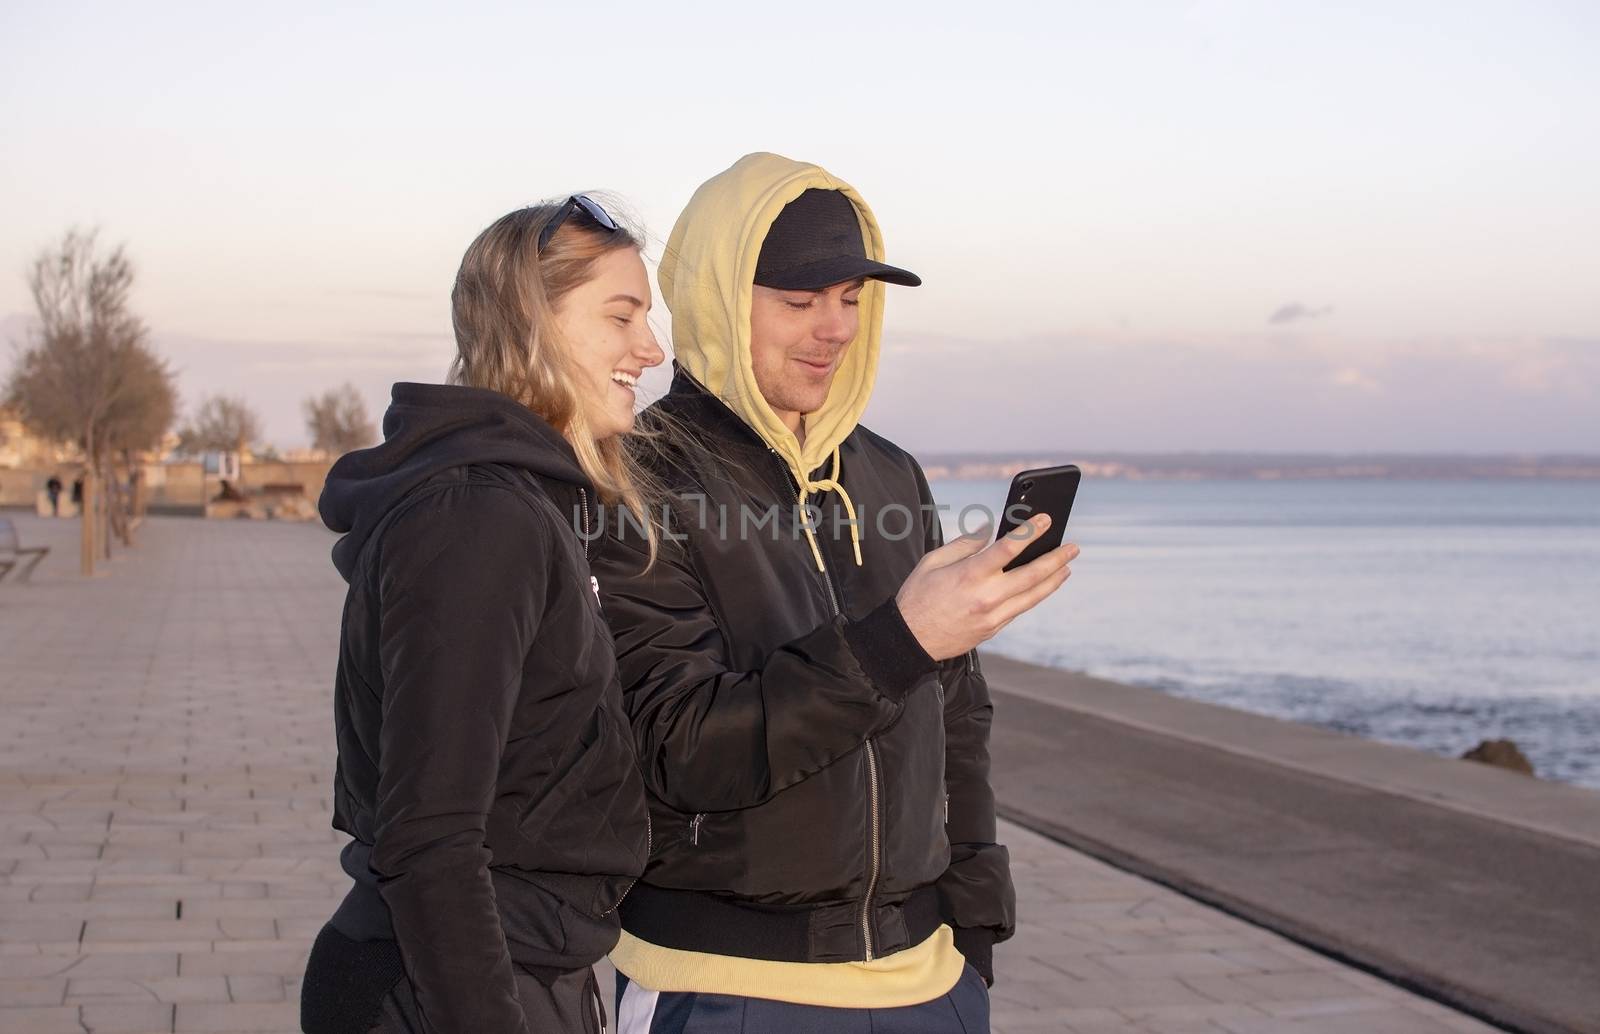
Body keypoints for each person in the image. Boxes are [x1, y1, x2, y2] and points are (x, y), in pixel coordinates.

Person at [593, 154, 1078, 1033]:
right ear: (716, 296)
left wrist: (974, 927)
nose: (834, 328)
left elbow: (958, 717)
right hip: (728, 984)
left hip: (928, 983)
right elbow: (684, 746)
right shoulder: (635, 478)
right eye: (798, 299)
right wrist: (899, 639)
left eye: (852, 298)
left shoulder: (890, 476)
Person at [304, 194, 663, 1034]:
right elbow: (430, 837)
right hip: (452, 989)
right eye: (622, 317)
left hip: (517, 971)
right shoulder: (479, 517)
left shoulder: (527, 505)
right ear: (531, 323)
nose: (649, 349)